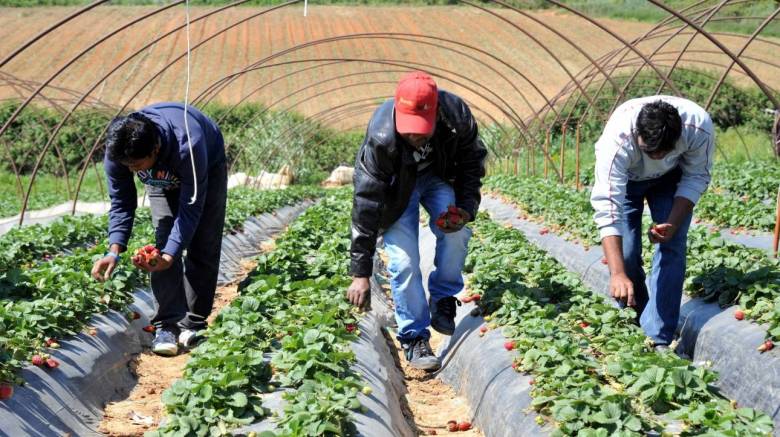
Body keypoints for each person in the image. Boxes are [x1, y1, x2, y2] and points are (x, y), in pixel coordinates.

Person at [347, 71, 487, 370]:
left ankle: (443, 298)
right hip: (398, 189)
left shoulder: (457, 117)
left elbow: (471, 165)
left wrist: (464, 208)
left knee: (457, 233)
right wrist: (361, 273)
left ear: (436, 112)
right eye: (409, 128)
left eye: (422, 128)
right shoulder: (382, 137)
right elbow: (367, 203)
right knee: (404, 261)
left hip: (437, 177)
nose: (416, 135)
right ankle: (414, 337)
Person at [91, 102, 228, 357]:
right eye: (128, 166)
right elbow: (121, 202)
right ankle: (167, 325)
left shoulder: (189, 142)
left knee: (203, 240)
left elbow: (191, 206)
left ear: (155, 148)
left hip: (206, 164)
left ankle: (194, 322)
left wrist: (171, 255)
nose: (132, 171)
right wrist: (114, 250)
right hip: (162, 176)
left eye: (137, 165)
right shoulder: (118, 151)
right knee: (164, 239)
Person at [590, 96, 715, 351]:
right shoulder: (618, 139)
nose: (656, 156)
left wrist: (672, 222)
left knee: (673, 247)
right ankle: (637, 318)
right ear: (638, 134)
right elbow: (608, 205)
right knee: (626, 255)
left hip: (671, 180)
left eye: (664, 152)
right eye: (650, 150)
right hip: (627, 183)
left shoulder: (697, 127)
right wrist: (617, 273)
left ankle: (658, 335)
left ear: (678, 137)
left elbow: (696, 175)